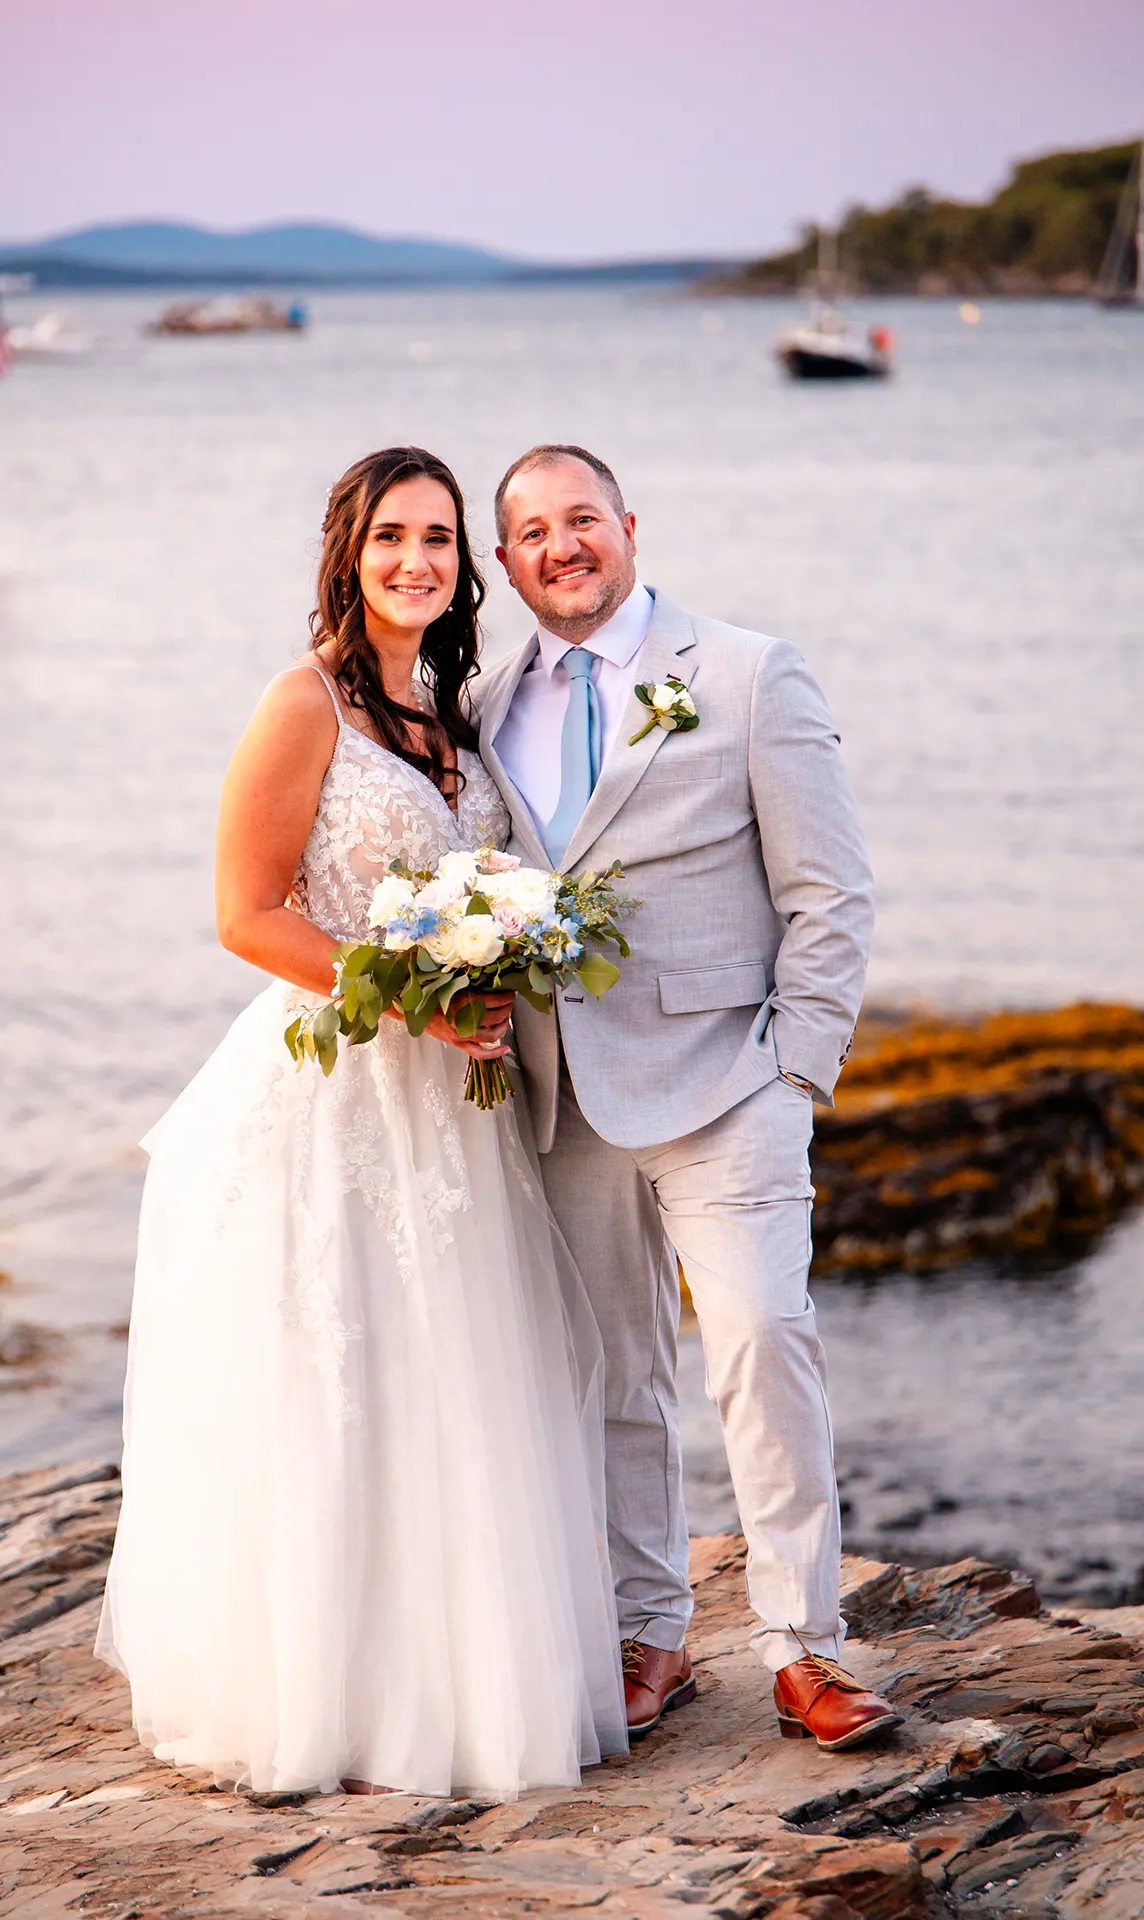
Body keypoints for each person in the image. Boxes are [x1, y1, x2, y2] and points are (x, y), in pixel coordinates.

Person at [95, 446, 628, 1799]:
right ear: (348, 550)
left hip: (455, 1109)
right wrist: (408, 998)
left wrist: (498, 972)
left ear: (467, 566)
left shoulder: (456, 717)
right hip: (338, 1092)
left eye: (442, 540)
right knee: (349, 1388)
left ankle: (457, 1693)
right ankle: (335, 1701)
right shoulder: (304, 704)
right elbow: (245, 909)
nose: (418, 562)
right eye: (393, 536)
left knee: (458, 1387)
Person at [474, 444, 901, 1753]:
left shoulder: (746, 672)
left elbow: (832, 893)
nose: (563, 546)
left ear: (628, 526)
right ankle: (649, 1637)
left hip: (730, 1083)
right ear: (504, 563)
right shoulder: (481, 708)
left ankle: (806, 1649)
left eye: (582, 519)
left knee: (765, 1342)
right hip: (564, 1100)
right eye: (534, 532)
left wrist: (797, 1074)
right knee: (613, 1377)